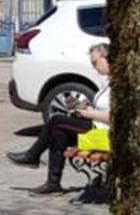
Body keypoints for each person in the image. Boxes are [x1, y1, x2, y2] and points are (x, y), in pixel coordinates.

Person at [8, 44, 111, 198]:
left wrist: (89, 114)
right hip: (96, 128)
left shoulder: (120, 85)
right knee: (58, 133)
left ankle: (33, 155)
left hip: (106, 133)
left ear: (106, 58)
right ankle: (53, 183)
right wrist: (85, 110)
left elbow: (114, 116)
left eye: (95, 63)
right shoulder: (108, 82)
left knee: (56, 120)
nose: (94, 67)